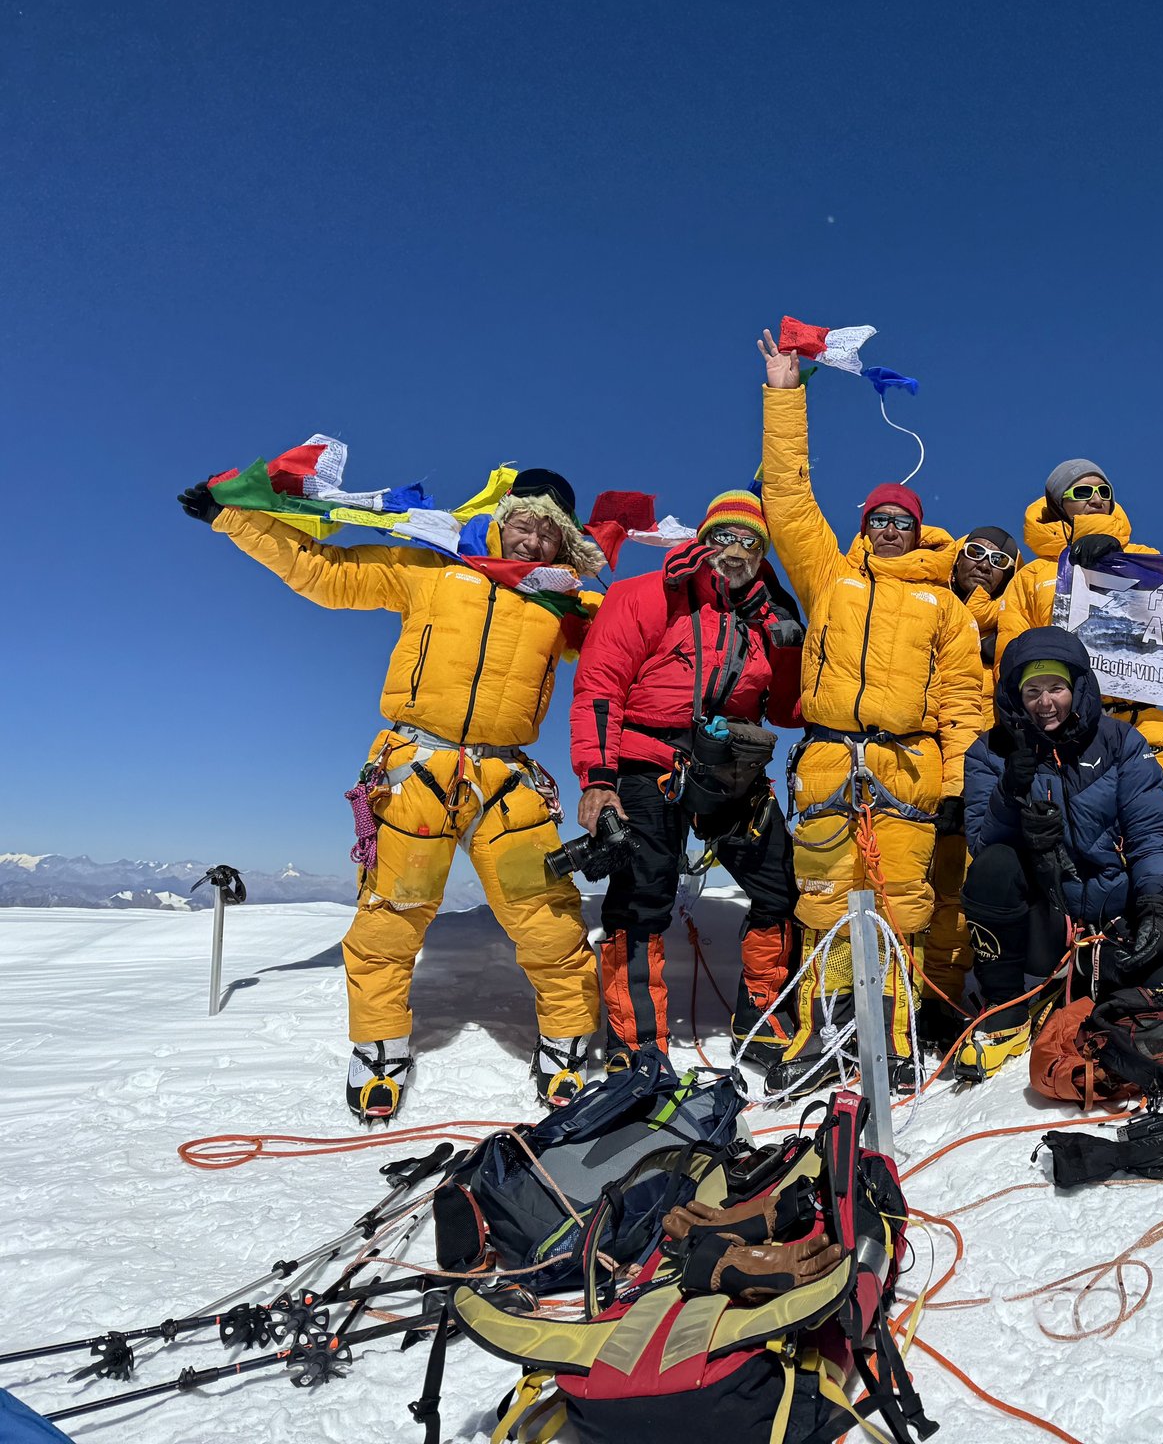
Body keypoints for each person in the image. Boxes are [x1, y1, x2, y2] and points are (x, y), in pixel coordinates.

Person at [177, 467, 604, 1121]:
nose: (534, 539)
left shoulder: (565, 604)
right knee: (391, 919)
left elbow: (637, 641)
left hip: (504, 782)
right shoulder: (432, 567)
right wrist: (233, 517)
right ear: (502, 517)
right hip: (416, 775)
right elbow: (326, 573)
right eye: (525, 521)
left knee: (547, 916)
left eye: (552, 532)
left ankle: (566, 1045)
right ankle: (379, 1052)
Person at [756, 331, 984, 1090]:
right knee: (824, 900)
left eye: (901, 521)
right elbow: (788, 503)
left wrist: (960, 783)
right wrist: (785, 395)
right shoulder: (831, 578)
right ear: (863, 527)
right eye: (878, 519)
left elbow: (962, 702)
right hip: (828, 758)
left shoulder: (945, 606)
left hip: (910, 765)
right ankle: (824, 1035)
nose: (888, 529)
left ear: (919, 530)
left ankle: (891, 1037)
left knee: (902, 905)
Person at [568, 490, 807, 1068]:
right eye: (724, 536)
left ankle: (765, 1019)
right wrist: (598, 779)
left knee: (780, 885)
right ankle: (637, 1045)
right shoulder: (643, 595)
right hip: (646, 760)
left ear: (762, 554)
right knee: (641, 896)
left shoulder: (768, 618)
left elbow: (785, 711)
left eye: (751, 542)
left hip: (730, 764)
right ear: (703, 541)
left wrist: (788, 645)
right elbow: (600, 686)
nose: (736, 550)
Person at [995, 459, 1163, 993]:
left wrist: (1119, 566)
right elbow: (1013, 656)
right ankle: (1076, 944)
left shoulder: (1145, 560)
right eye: (1081, 492)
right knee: (1077, 834)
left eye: (1104, 489)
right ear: (1057, 503)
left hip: (1142, 721)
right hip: (1062, 728)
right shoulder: (1031, 577)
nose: (1096, 497)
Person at [955, 628, 1163, 1076]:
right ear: (1015, 696)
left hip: (1110, 917)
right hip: (1041, 922)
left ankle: (1099, 979)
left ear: (1076, 688)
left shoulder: (1121, 742)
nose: (1045, 703)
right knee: (995, 865)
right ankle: (1006, 1006)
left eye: (1056, 688)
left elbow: (1153, 832)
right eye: (1032, 692)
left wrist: (1158, 906)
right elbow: (982, 844)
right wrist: (1010, 795)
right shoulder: (988, 752)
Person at [924, 525, 1021, 1048]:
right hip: (911, 763)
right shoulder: (921, 604)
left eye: (999, 560)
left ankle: (939, 996)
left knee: (956, 891)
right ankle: (891, 994)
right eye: (976, 552)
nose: (985, 563)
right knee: (900, 885)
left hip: (977, 775)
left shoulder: (1012, 627)